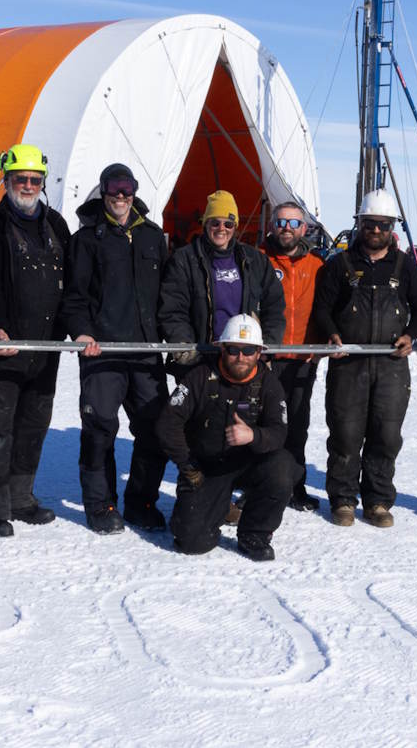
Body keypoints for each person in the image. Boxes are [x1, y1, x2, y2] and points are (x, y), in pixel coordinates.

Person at [0, 144, 71, 537]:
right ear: (6, 181)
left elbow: (70, 284)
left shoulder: (57, 225)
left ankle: (21, 498)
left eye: (34, 180)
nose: (27, 185)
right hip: (3, 345)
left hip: (44, 348)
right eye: (20, 179)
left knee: (33, 425)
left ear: (42, 183)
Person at [310, 188, 417, 528]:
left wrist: (411, 335)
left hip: (391, 365)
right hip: (349, 363)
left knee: (386, 435)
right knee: (346, 434)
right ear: (358, 224)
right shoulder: (339, 265)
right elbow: (322, 308)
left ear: (393, 227)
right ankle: (343, 499)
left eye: (382, 224)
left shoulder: (405, 266)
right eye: (369, 224)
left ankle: (377, 500)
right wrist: (332, 332)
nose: (375, 231)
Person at [62, 163, 170, 534]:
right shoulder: (86, 239)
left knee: (155, 430)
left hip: (145, 353)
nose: (120, 196)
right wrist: (81, 333)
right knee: (99, 430)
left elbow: (168, 296)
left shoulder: (152, 237)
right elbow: (74, 296)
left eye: (127, 189)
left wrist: (171, 336)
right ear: (103, 190)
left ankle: (141, 502)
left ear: (135, 192)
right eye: (114, 188)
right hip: (102, 352)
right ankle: (100, 504)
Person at [157, 314, 296, 561]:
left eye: (248, 350)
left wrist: (254, 435)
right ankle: (214, 508)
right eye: (233, 349)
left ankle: (255, 534)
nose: (241, 357)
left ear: (259, 353)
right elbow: (168, 423)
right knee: (191, 543)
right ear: (222, 348)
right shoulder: (199, 377)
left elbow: (279, 431)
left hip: (248, 464)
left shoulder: (269, 383)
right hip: (206, 468)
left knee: (284, 467)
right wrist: (187, 464)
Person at [158, 189, 285, 380]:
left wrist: (265, 346)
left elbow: (274, 305)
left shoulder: (255, 260)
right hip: (200, 359)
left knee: (239, 410)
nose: (221, 228)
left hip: (242, 359)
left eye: (228, 223)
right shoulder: (184, 260)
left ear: (235, 226)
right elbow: (172, 308)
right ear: (205, 224)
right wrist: (183, 342)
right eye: (214, 222)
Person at [262, 201, 325, 512]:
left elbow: (327, 310)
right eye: (282, 222)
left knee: (297, 426)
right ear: (273, 225)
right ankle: (257, 486)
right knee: (265, 424)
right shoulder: (259, 260)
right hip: (267, 360)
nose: (287, 229)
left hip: (301, 359)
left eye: (294, 223)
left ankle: (294, 486)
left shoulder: (317, 266)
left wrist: (319, 346)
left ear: (304, 228)